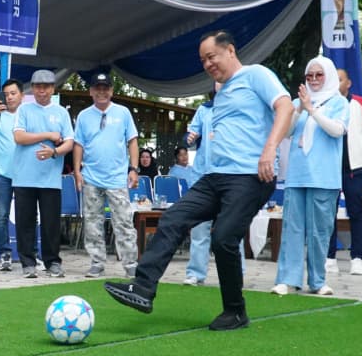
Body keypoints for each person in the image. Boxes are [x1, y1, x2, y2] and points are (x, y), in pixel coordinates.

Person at [104, 30, 293, 331]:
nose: (207, 64)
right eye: (203, 60)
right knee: (172, 219)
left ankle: (235, 311)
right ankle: (142, 288)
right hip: (214, 177)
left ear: (230, 50)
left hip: (250, 176)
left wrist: (269, 149)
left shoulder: (256, 75)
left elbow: (286, 107)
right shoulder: (220, 94)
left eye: (211, 56)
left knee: (224, 238)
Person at [272, 56, 348, 296]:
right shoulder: (299, 101)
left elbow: (337, 130)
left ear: (328, 76)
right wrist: (300, 109)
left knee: (320, 232)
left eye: (319, 75)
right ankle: (287, 278)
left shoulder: (338, 102)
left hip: (324, 177)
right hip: (297, 174)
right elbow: (287, 131)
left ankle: (317, 280)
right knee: (292, 228)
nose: (314, 80)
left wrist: (312, 109)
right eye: (309, 76)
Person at [72, 71, 140, 279]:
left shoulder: (123, 113)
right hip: (91, 176)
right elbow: (78, 144)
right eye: (97, 88)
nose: (101, 92)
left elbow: (133, 141)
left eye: (105, 88)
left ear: (111, 90)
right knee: (92, 221)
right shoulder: (84, 115)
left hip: (117, 178)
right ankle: (96, 263)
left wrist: (134, 169)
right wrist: (76, 171)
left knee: (124, 222)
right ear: (91, 91)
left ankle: (131, 265)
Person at [11, 69, 74, 278]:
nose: (42, 91)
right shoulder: (24, 109)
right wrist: (48, 135)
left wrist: (54, 151)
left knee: (51, 223)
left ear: (52, 89)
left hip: (51, 179)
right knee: (25, 222)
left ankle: (53, 262)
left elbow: (70, 142)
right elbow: (19, 137)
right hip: (24, 176)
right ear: (33, 89)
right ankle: (27, 263)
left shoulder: (62, 113)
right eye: (38, 86)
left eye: (46, 87)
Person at [325, 69, 362, 276]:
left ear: (348, 83)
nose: (336, 83)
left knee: (357, 212)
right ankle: (329, 257)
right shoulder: (326, 104)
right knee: (327, 213)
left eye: (339, 79)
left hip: (354, 169)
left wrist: (361, 152)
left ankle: (357, 258)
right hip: (329, 167)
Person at [182, 83, 220, 286]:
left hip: (230, 175)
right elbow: (189, 137)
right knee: (199, 228)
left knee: (230, 229)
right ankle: (195, 273)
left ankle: (235, 273)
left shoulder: (241, 107)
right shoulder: (204, 109)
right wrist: (190, 138)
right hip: (203, 176)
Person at [0, 78, 23, 271]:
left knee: (25, 216)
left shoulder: (27, 115)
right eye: (7, 94)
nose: (10, 97)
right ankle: (4, 253)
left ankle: (29, 254)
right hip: (1, 173)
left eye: (13, 93)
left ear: (21, 95)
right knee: (1, 215)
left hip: (24, 174)